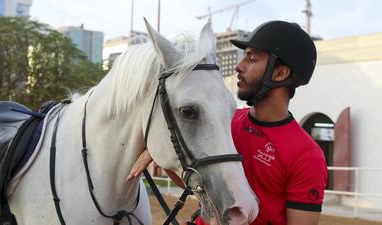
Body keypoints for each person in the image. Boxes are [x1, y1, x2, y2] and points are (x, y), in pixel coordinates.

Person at [127, 20, 327, 225]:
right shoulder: (227, 122)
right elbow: (194, 185)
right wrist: (161, 149)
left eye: (251, 59)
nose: (239, 66)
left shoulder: (307, 155)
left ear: (280, 73)